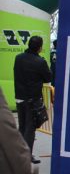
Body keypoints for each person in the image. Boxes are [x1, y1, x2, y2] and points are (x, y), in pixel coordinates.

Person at [13, 36, 52, 164]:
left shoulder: (18, 58)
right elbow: (48, 78)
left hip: (19, 97)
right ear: (39, 48)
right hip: (32, 99)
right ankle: (26, 156)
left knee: (22, 127)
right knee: (30, 129)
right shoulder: (40, 62)